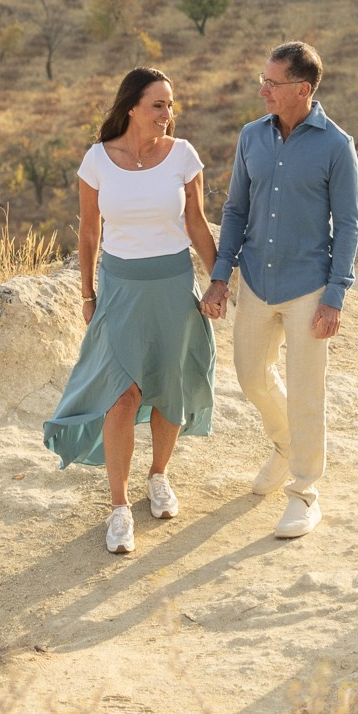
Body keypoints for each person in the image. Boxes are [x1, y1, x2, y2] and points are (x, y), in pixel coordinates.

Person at [44, 64, 219, 554]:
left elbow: (197, 223)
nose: (168, 114)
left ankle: (158, 477)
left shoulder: (183, 156)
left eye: (171, 105)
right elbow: (87, 233)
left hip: (171, 284)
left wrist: (220, 281)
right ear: (132, 107)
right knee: (121, 394)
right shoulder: (97, 160)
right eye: (158, 105)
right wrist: (86, 294)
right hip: (120, 288)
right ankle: (119, 507)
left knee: (169, 388)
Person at [200, 41, 358, 543]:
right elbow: (235, 211)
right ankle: (286, 443)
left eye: (273, 83)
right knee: (250, 376)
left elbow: (349, 225)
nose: (263, 90)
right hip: (256, 282)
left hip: (308, 287)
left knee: (307, 390)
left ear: (302, 89)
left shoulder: (337, 146)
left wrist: (335, 295)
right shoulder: (252, 137)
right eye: (262, 81)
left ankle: (305, 491)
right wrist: (221, 276)